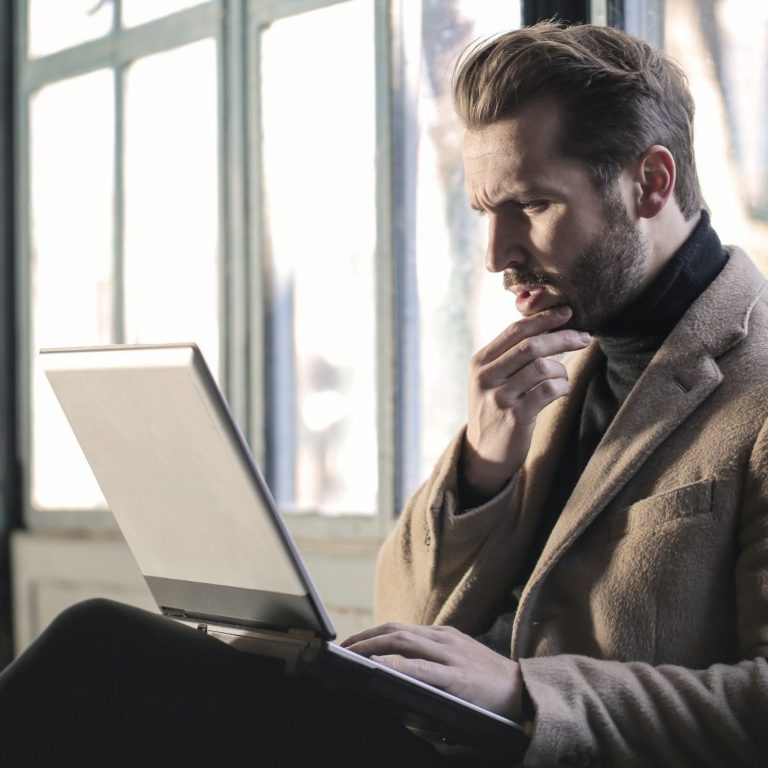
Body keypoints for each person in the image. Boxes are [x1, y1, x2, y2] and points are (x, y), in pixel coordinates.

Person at [1, 19, 767, 768]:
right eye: (484, 214)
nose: (498, 255)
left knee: (104, 661)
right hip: (419, 735)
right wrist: (481, 468)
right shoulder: (553, 365)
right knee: (105, 653)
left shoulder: (754, 388)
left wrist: (524, 692)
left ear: (651, 182)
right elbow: (403, 617)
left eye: (530, 207)